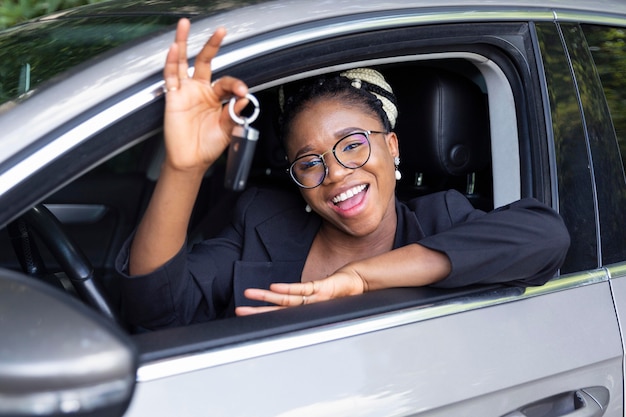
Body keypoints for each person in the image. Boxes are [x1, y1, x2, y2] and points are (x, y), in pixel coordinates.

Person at [116, 19, 570, 329]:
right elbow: (154, 307)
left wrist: (363, 279)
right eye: (310, 162)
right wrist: (185, 167)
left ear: (391, 146)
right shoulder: (261, 222)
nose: (334, 172)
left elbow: (546, 238)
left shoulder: (441, 219)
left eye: (352, 144)